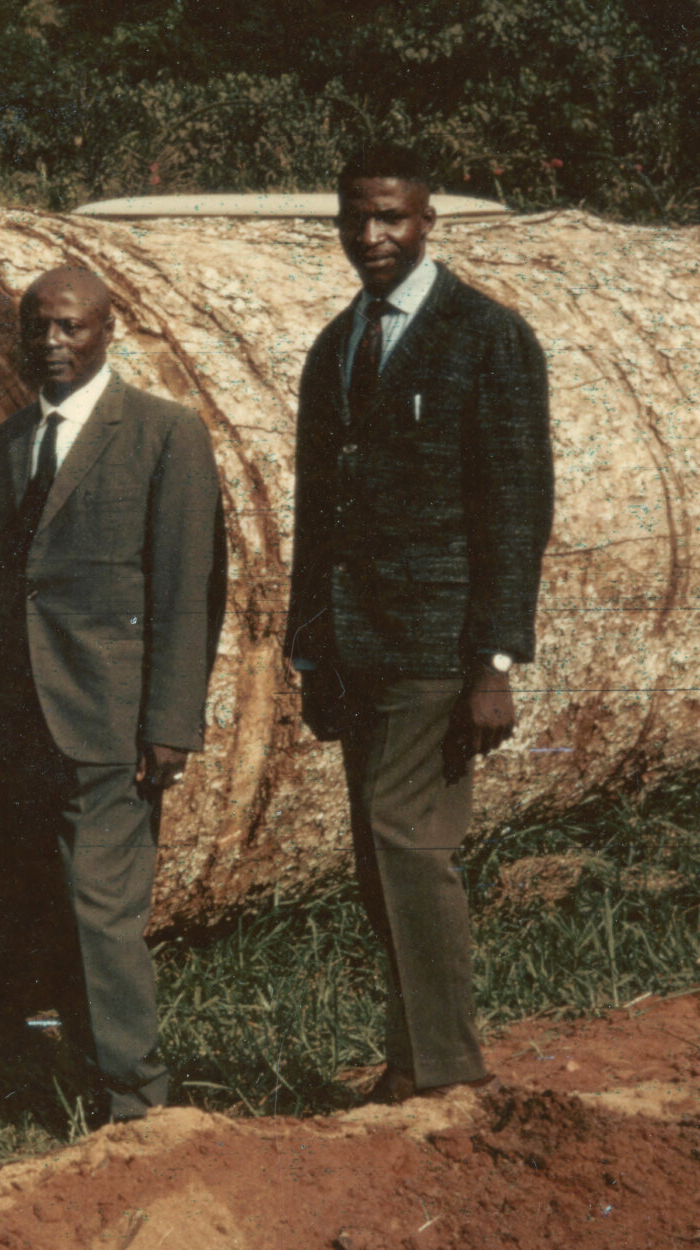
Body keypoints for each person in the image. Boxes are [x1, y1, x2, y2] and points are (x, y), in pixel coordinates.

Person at [287, 143, 552, 1103]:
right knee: (377, 850)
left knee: (409, 840)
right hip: (357, 646)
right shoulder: (336, 345)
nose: (373, 236)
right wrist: (310, 648)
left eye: (392, 217)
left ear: (429, 219)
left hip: (441, 642)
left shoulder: (487, 336)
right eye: (356, 217)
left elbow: (517, 506)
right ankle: (412, 1062)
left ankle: (444, 1072)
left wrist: (495, 659)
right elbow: (317, 512)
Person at [0, 266, 222, 1126]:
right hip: (29, 722)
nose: (52, 344)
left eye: (71, 327)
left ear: (111, 331)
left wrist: (171, 724)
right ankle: (83, 1080)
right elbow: (4, 589)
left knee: (105, 909)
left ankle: (137, 1099)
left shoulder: (163, 435)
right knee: (52, 902)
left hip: (114, 720)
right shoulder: (9, 442)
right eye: (37, 328)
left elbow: (190, 589)